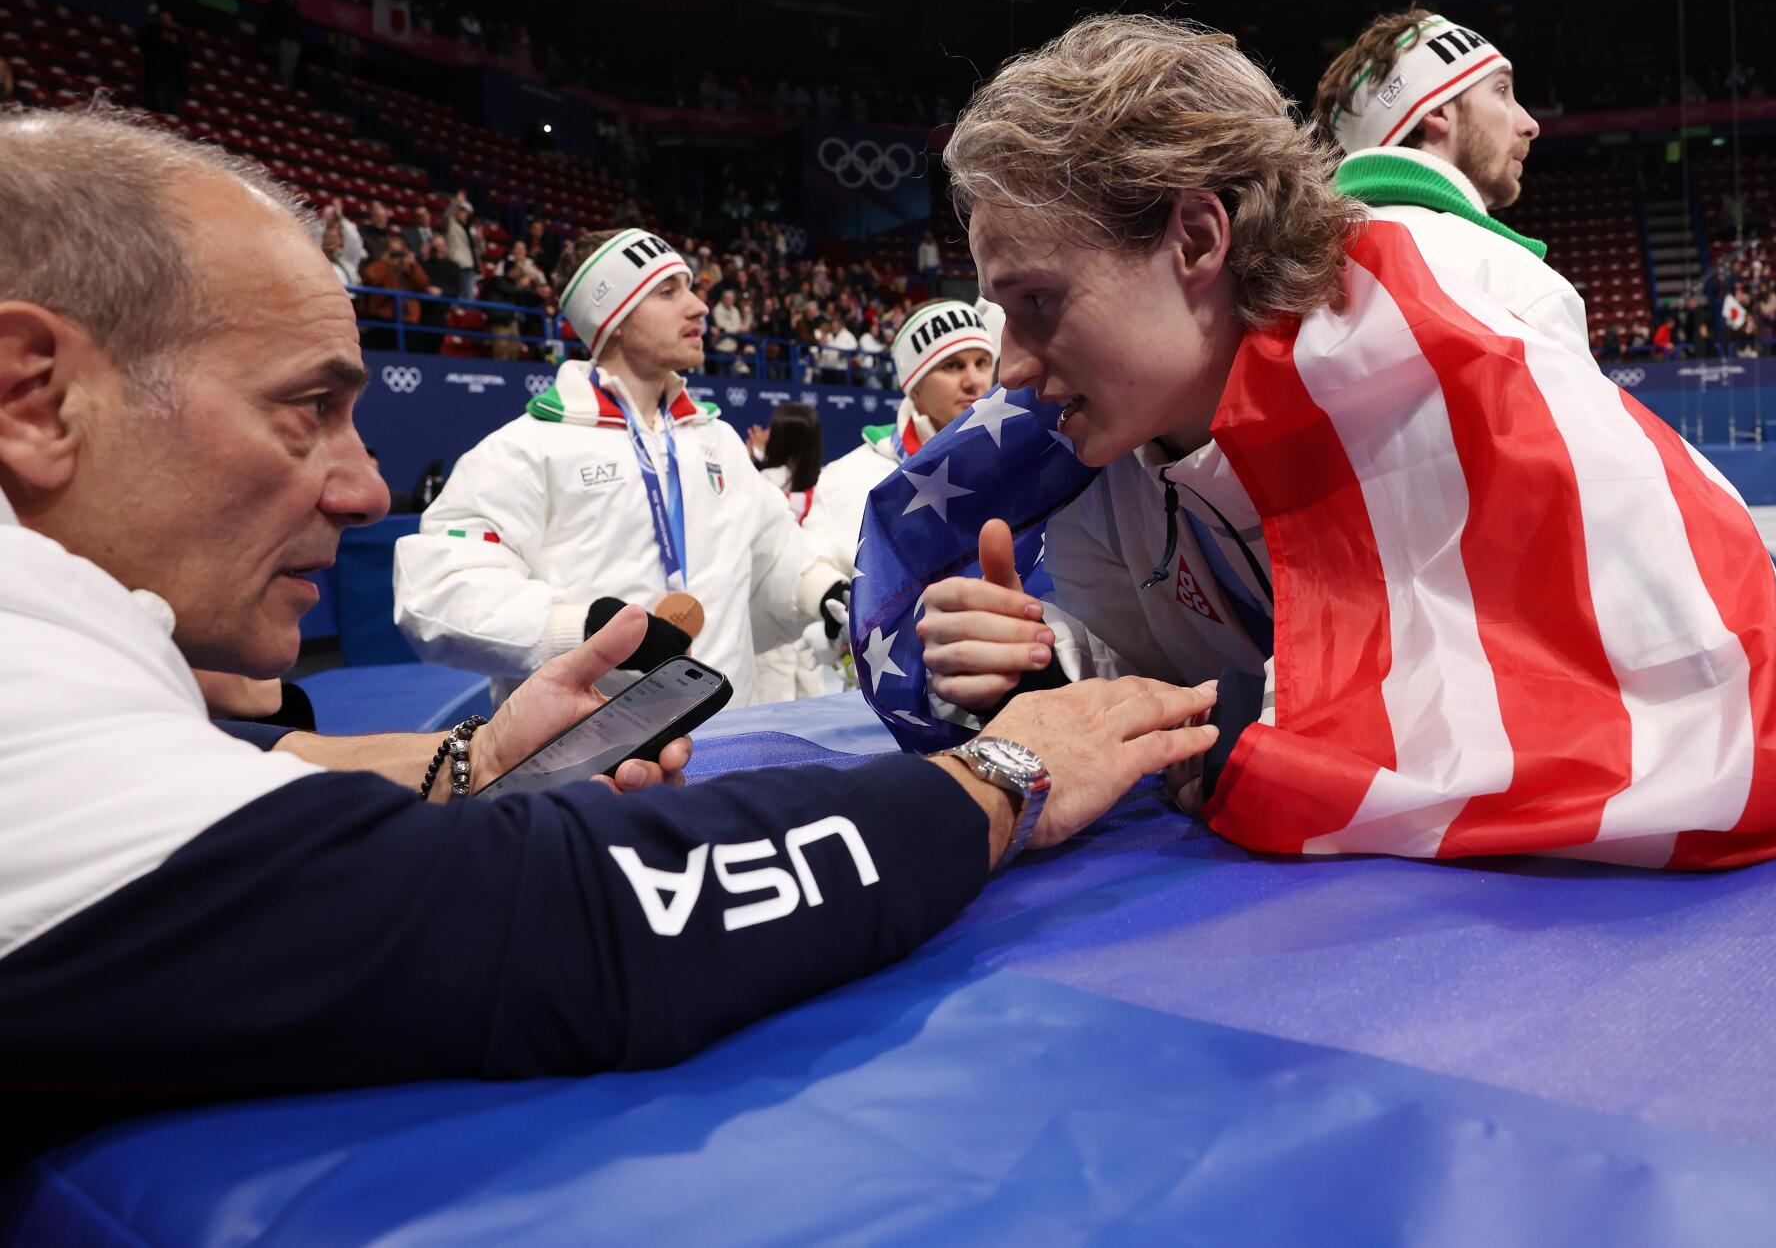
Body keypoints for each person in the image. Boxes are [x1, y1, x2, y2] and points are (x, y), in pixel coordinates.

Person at [0, 107, 1220, 1162]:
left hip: (711, 713)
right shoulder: (526, 443)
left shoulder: (706, 438)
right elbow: (574, 914)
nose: (364, 486)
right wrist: (996, 772)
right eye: (305, 408)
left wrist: (471, 764)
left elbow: (233, 779)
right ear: (35, 396)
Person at [885, 13, 1776, 869]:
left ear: (1197, 237)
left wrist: (1255, 719)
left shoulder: (1437, 308)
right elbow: (1148, 693)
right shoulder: (1094, 456)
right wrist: (1037, 673)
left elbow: (1683, 664)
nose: (1013, 370)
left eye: (1034, 302)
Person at [394, 228, 851, 710]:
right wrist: (584, 629)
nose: (699, 307)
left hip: (729, 737)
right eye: (668, 291)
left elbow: (775, 552)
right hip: (588, 760)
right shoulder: (525, 449)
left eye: (690, 288)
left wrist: (820, 589)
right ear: (611, 316)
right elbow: (439, 590)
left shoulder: (716, 441)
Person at [1313, 9, 1587, 359]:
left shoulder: (1294, 278)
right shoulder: (1518, 286)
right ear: (1437, 112)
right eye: (1501, 90)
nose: (1530, 124)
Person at [807, 299, 997, 577]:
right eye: (953, 365)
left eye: (982, 363)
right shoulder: (847, 478)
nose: (973, 381)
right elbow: (809, 573)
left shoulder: (1026, 461)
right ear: (914, 385)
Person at [754, 402, 834, 701]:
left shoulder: (766, 480)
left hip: (778, 591)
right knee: (811, 684)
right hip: (811, 590)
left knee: (775, 682)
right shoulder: (824, 481)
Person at [359, 235, 432, 350]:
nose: (397, 258)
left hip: (408, 318)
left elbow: (424, 284)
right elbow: (370, 277)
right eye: (394, 253)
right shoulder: (382, 267)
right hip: (384, 317)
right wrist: (385, 261)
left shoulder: (410, 270)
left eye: (400, 253)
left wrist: (411, 264)